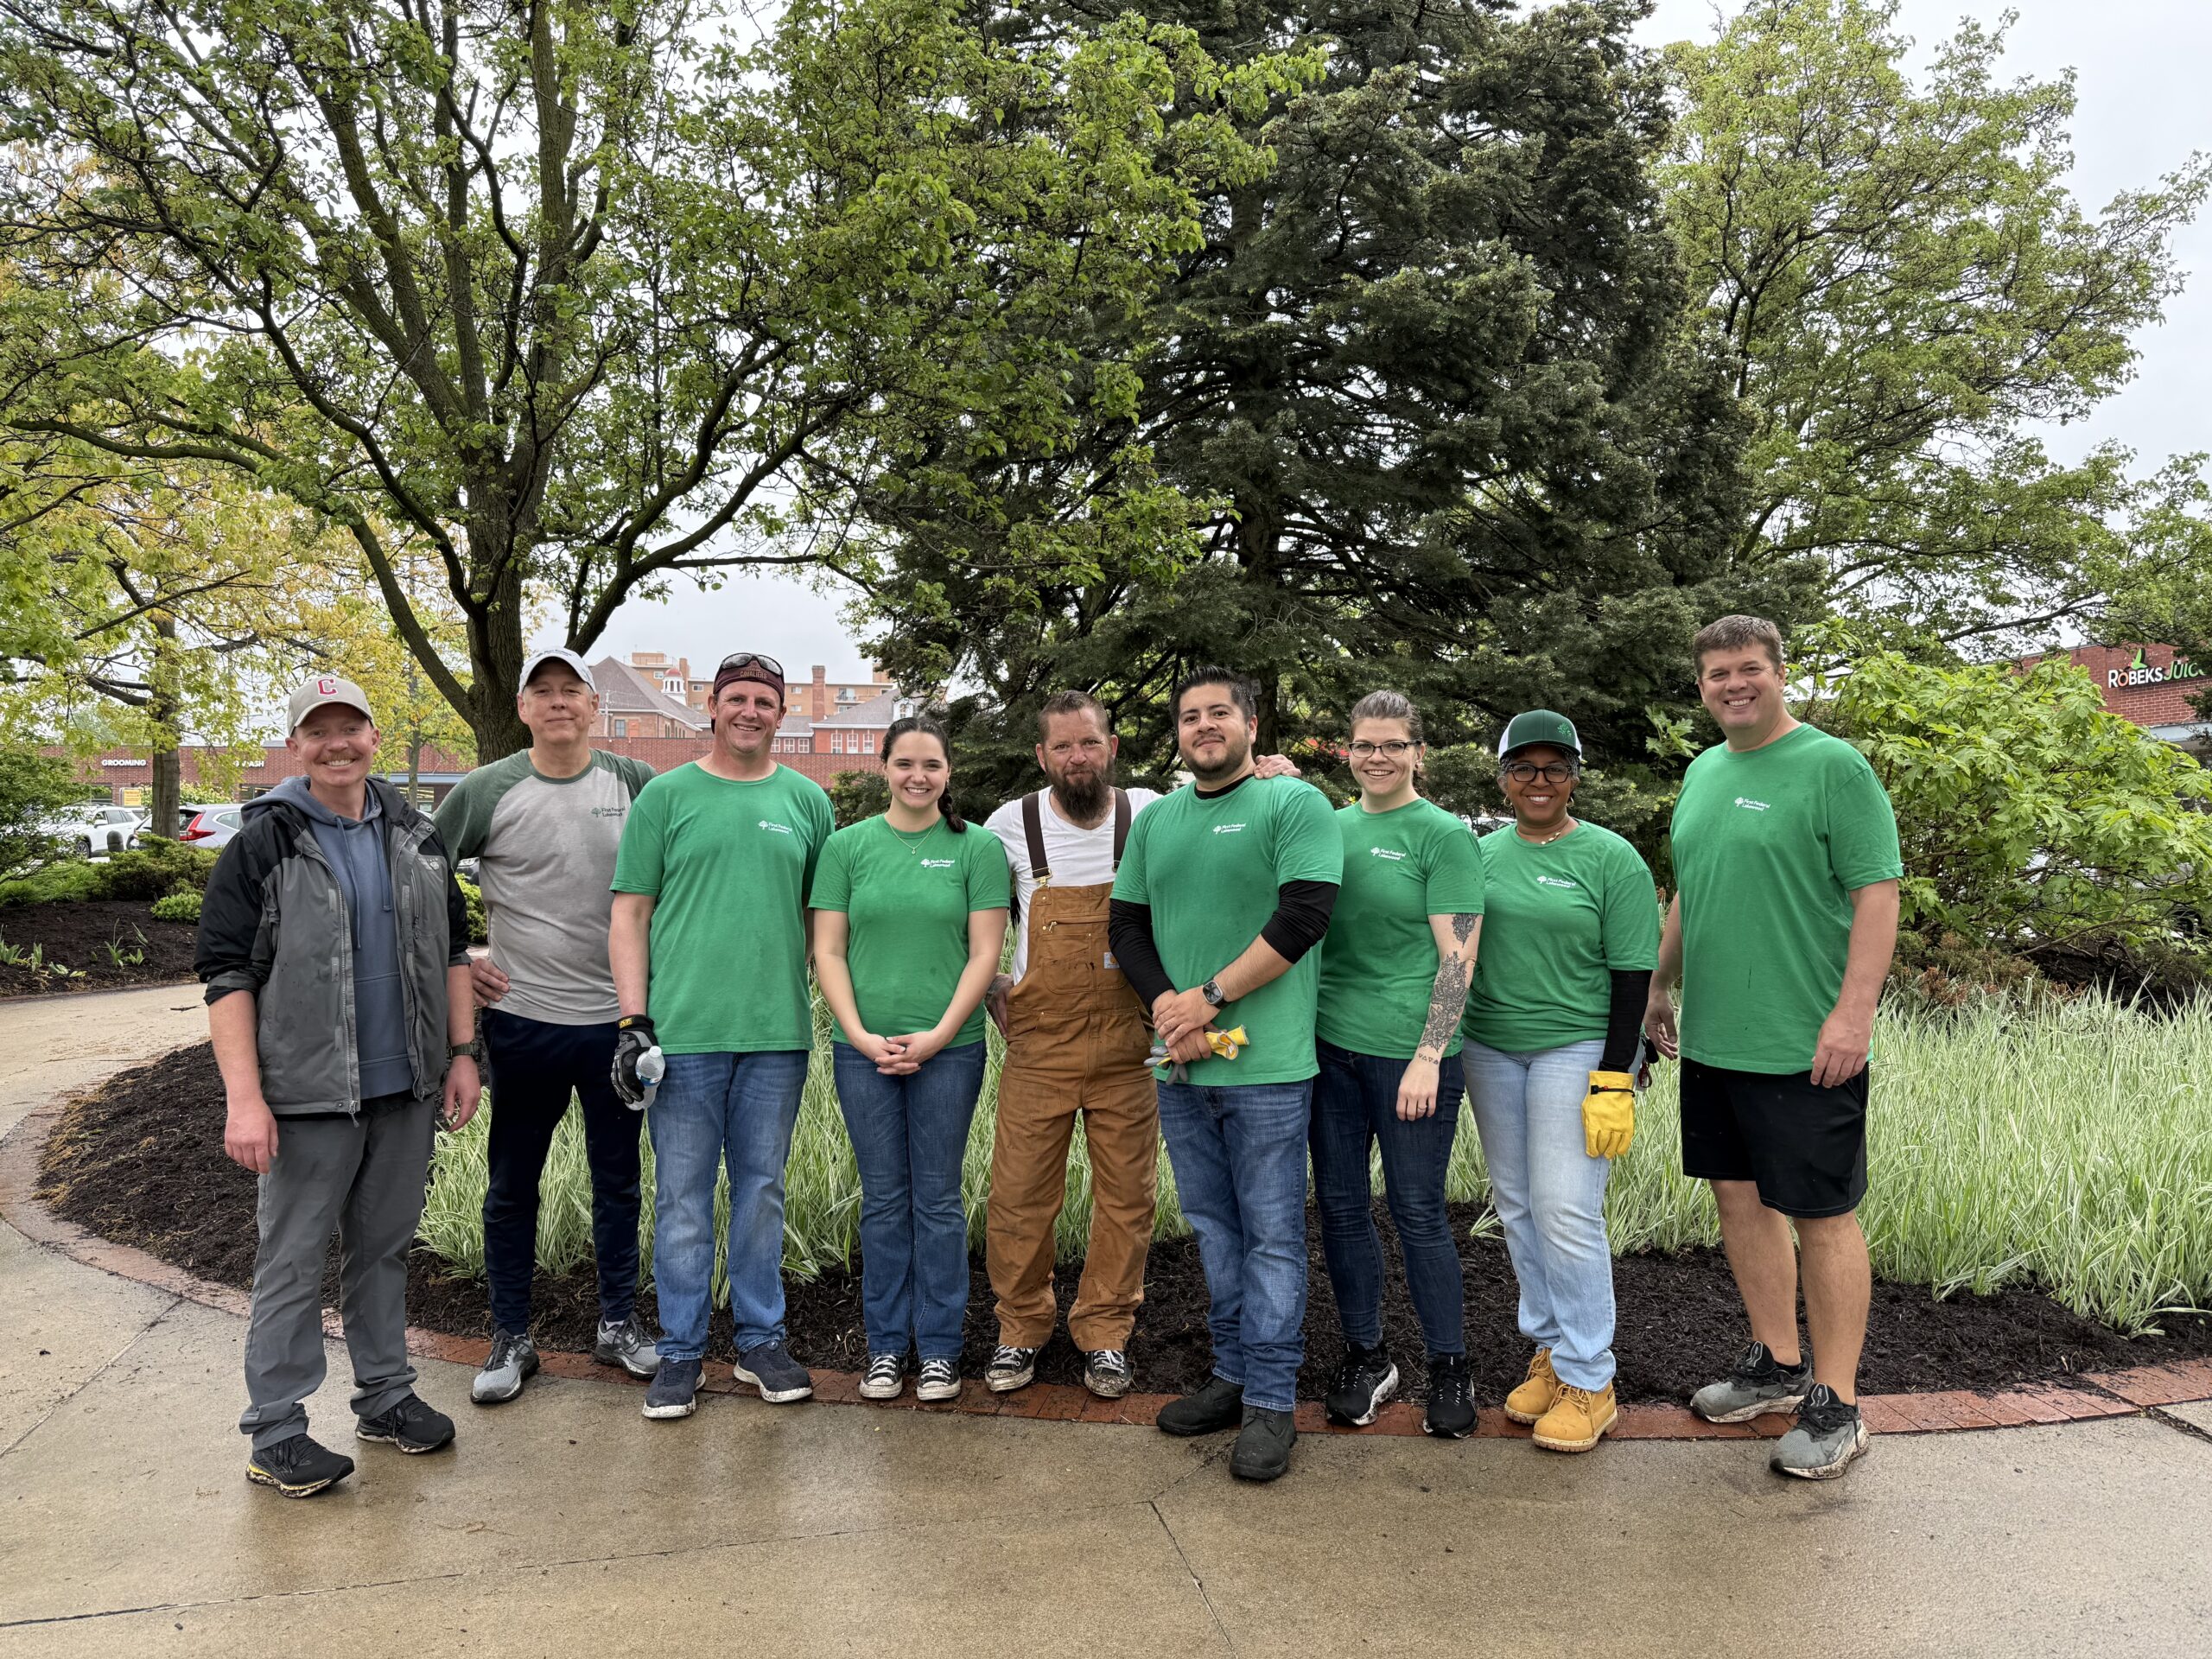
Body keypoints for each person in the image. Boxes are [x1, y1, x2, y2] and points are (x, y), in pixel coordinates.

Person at [198, 674, 479, 1497]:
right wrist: (245, 1100)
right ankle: (276, 1431)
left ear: (373, 737)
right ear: (296, 746)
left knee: (383, 1251)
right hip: (307, 1097)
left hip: (406, 1088)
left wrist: (463, 1053)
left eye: (349, 727)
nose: (337, 745)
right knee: (291, 1263)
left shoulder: (417, 835)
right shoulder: (265, 842)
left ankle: (385, 1397)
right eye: (317, 732)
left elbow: (453, 951)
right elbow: (227, 976)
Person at [978, 696, 1301, 1400]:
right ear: (1042, 756)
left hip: (1135, 1040)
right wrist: (986, 981)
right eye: (1063, 747)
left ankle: (1105, 1333)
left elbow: (1227, 810)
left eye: (1089, 744)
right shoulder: (1010, 824)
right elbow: (959, 905)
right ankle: (1020, 1328)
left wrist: (1271, 774)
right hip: (1040, 1044)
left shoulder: (1152, 811)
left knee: (1127, 1198)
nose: (1077, 758)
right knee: (1020, 1196)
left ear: (1113, 747)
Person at [1645, 615, 1902, 1480]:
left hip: (1804, 1042)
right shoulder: (1703, 772)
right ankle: (1776, 1366)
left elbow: (1877, 894)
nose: (1734, 684)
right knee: (1739, 1198)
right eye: (1718, 673)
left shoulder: (1833, 767)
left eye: (1749, 668)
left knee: (1821, 1214)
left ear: (1779, 673)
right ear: (1702, 686)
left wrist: (1853, 1016)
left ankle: (1838, 1404)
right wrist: (1657, 983)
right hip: (1717, 1039)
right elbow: (1692, 890)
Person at [1110, 667, 1342, 1482]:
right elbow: (1126, 925)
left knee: (1272, 1237)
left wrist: (1208, 998)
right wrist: (1169, 1011)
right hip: (1180, 1068)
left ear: (1250, 724)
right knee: (1214, 1228)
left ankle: (1272, 1401)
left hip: (1268, 1068)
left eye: (1219, 713)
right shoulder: (1157, 819)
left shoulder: (1294, 804)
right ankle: (1233, 1375)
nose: (1203, 725)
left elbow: (1305, 914)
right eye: (1189, 716)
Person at [609, 652, 834, 1421]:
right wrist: (633, 1021)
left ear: (781, 714)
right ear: (711, 706)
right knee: (682, 1198)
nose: (749, 711)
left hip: (776, 1035)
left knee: (761, 1190)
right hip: (683, 1036)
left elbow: (824, 921)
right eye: (735, 698)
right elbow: (630, 912)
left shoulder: (807, 801)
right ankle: (681, 1352)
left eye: (764, 701)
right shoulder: (666, 796)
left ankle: (760, 1342)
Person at [433, 650, 660, 1405]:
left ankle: (618, 1325)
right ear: (523, 709)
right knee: (512, 1185)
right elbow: (420, 878)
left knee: (618, 1182)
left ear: (594, 707)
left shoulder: (635, 783)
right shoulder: (486, 790)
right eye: (543, 692)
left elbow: (676, 881)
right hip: (524, 1023)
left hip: (617, 1027)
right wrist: (461, 959)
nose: (559, 702)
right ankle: (510, 1336)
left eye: (572, 691)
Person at [1460, 709, 1658, 1454]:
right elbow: (1453, 956)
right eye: (1523, 767)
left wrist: (1614, 1077)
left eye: (1554, 768)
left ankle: (1590, 1378)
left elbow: (1633, 974)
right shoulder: (1478, 855)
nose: (1538, 781)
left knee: (1566, 1208)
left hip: (1577, 1048)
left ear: (1575, 777)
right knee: (1517, 1206)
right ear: (1503, 778)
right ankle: (1549, 1349)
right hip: (1490, 1048)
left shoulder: (1611, 858)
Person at [813, 715, 1010, 1403]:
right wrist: (860, 1034)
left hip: (949, 1052)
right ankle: (886, 1348)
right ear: (885, 768)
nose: (918, 776)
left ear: (948, 772)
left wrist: (939, 1034)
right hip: (862, 1053)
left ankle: (941, 1351)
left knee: (938, 1201)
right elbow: (828, 950)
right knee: (884, 1202)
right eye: (905, 764)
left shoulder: (976, 849)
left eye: (931, 765)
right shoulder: (847, 847)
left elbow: (985, 953)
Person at [1310, 690, 1485, 1438]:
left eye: (1392, 745)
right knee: (1342, 1207)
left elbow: (1460, 955)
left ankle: (1450, 1364)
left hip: (1413, 1060)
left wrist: (1429, 1054)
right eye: (1364, 745)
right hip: (1329, 1052)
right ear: (1347, 751)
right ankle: (1367, 1357)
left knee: (1417, 1211)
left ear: (1418, 753)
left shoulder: (1444, 836)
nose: (1377, 757)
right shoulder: (1327, 827)